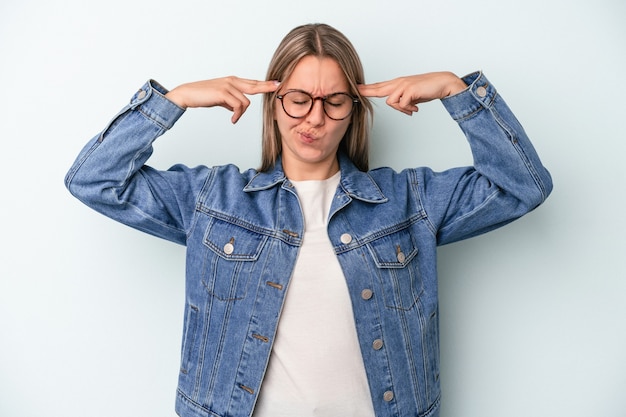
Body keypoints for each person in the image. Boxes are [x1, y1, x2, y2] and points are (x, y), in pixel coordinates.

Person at [65, 23, 552, 417]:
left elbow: (522, 186)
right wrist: (173, 102)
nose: (313, 118)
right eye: (298, 98)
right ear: (274, 104)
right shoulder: (214, 199)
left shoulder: (408, 201)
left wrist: (455, 90)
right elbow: (93, 179)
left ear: (353, 110)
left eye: (333, 101)